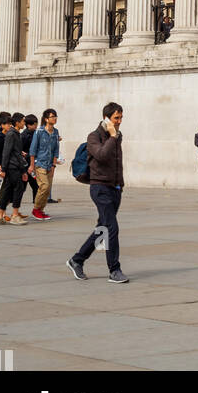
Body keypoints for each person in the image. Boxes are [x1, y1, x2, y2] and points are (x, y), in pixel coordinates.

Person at [67, 102, 128, 282]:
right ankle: (114, 270)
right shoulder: (94, 136)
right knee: (112, 228)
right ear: (106, 118)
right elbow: (101, 155)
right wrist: (111, 136)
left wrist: (120, 185)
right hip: (100, 187)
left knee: (102, 228)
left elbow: (117, 162)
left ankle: (77, 260)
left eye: (121, 117)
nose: (120, 121)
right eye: (117, 118)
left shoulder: (118, 135)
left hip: (115, 188)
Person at [0, 113, 29, 225]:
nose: (25, 123)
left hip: (12, 166)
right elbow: (6, 152)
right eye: (23, 121)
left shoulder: (14, 133)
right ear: (18, 122)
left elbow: (15, 151)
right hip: (13, 167)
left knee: (7, 190)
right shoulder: (12, 134)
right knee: (18, 188)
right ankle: (14, 215)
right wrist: (3, 169)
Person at [29, 108, 61, 219]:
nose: (55, 118)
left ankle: (41, 210)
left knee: (48, 189)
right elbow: (33, 150)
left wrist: (54, 165)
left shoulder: (56, 132)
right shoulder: (39, 132)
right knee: (44, 186)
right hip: (40, 164)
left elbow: (56, 150)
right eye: (52, 116)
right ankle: (36, 209)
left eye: (56, 116)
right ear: (46, 119)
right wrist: (32, 165)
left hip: (49, 165)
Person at [21, 115, 39, 203]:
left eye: (36, 124)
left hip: (33, 164)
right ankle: (5, 206)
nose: (36, 126)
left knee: (36, 186)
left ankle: (36, 205)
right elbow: (20, 151)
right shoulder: (24, 136)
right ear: (28, 125)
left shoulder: (36, 133)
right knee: (21, 188)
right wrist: (27, 155)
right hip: (25, 166)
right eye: (34, 124)